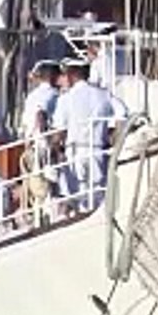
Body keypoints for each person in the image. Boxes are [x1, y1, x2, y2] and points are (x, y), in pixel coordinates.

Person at [52, 57, 115, 212]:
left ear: (72, 75)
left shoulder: (66, 99)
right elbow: (122, 116)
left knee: (77, 196)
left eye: (66, 74)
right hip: (99, 150)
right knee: (98, 194)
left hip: (75, 151)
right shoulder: (104, 95)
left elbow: (59, 131)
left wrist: (53, 151)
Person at [20, 60, 61, 224]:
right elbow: (40, 115)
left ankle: (38, 219)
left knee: (35, 188)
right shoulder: (52, 94)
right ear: (53, 76)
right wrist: (47, 140)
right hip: (42, 146)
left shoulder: (32, 95)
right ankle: (50, 220)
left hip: (30, 144)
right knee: (49, 186)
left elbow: (26, 123)